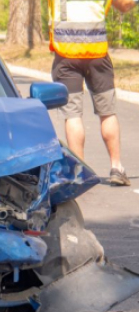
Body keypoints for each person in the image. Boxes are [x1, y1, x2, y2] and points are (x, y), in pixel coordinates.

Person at [48, 0, 138, 186]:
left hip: (66, 56)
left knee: (72, 116)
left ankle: (80, 172)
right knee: (107, 113)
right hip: (97, 56)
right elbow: (124, 5)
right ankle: (116, 168)